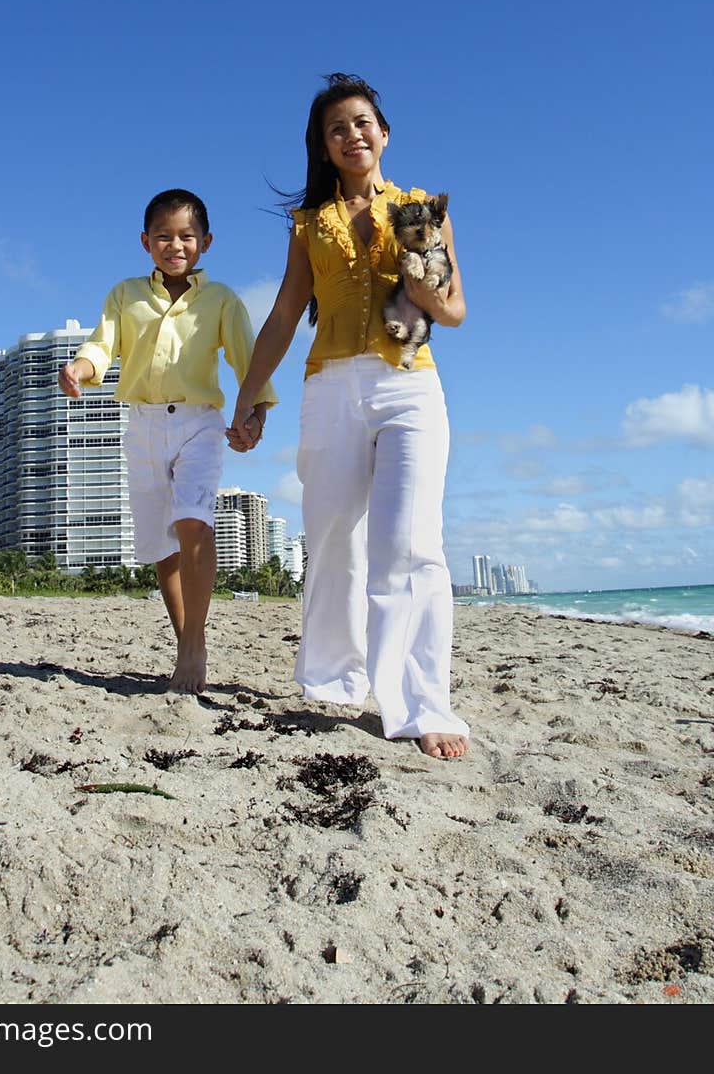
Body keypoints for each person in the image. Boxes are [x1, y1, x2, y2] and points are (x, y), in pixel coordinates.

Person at [227, 75, 469, 759]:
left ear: (383, 133)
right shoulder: (310, 224)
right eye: (338, 129)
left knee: (411, 542)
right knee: (332, 539)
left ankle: (424, 705)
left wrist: (426, 287)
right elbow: (282, 313)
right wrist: (250, 393)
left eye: (363, 122)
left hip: (408, 385)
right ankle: (335, 680)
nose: (352, 135)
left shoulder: (421, 210)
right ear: (326, 148)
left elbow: (453, 311)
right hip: (329, 386)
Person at [59, 188, 276, 694]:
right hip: (142, 425)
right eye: (163, 236)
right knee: (162, 545)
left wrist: (257, 413)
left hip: (201, 422)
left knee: (193, 521)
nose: (174, 245)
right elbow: (102, 345)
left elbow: (249, 361)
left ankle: (195, 644)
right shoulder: (125, 294)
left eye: (186, 236)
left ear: (206, 242)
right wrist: (79, 368)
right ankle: (186, 640)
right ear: (145, 241)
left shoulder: (221, 299)